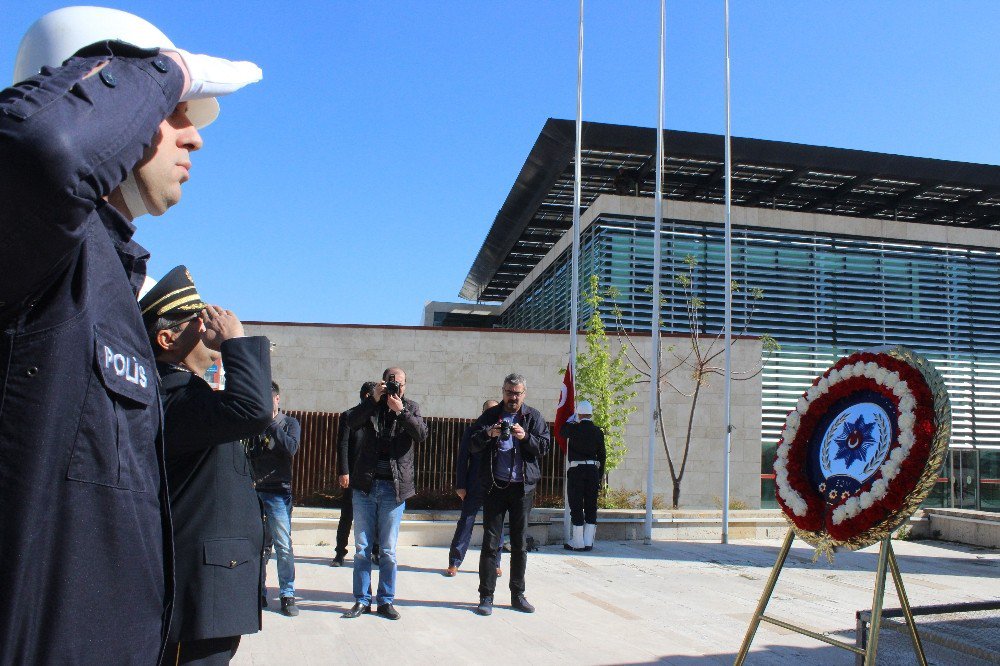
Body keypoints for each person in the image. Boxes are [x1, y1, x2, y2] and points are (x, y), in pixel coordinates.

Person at [0, 7, 260, 662]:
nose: (193, 139)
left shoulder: (108, 275)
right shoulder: (44, 256)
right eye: (174, 113)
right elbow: (43, 152)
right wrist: (169, 70)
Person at [141, 265, 272, 665]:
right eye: (196, 320)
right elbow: (253, 408)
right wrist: (236, 343)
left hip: (213, 594)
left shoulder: (190, 395)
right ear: (166, 339)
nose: (209, 325)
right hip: (196, 600)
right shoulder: (171, 399)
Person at [341, 368, 428, 621]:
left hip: (393, 489)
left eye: (399, 384)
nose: (395, 388)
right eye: (391, 383)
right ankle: (361, 600)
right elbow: (350, 422)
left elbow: (421, 434)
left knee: (388, 550)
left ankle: (386, 600)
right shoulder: (372, 405)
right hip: (366, 487)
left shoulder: (411, 407)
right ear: (383, 383)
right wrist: (372, 401)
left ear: (405, 386)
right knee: (361, 548)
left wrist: (400, 411)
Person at [470, 374, 550, 617]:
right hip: (495, 487)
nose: (513, 397)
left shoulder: (533, 417)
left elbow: (545, 447)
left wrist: (525, 437)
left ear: (524, 394)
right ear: (502, 391)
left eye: (517, 393)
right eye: (509, 392)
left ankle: (517, 595)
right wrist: (489, 434)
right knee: (490, 543)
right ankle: (486, 596)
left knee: (519, 544)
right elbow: (472, 443)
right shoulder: (490, 416)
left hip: (522, 489)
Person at [246, 382, 302, 616]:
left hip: (279, 491)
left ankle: (287, 594)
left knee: (282, 545)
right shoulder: (254, 425)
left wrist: (271, 425)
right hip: (255, 489)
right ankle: (258, 590)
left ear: (277, 399)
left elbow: (290, 448)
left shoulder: (289, 423)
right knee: (258, 545)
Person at [446, 399, 503, 577]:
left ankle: (495, 563)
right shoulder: (473, 431)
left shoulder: (504, 432)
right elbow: (463, 459)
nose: (492, 415)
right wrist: (460, 485)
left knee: (495, 525)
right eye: (488, 411)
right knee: (466, 522)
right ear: (483, 412)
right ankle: (454, 562)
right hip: (475, 484)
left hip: (497, 484)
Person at [332, 381, 380, 567]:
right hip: (353, 474)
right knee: (347, 515)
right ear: (368, 396)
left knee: (375, 516)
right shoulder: (349, 416)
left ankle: (375, 551)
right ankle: (339, 553)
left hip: (373, 476)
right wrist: (343, 471)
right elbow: (342, 445)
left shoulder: (378, 416)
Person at [560, 400, 606, 551]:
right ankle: (588, 542)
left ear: (579, 414)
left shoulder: (574, 428)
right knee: (591, 505)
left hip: (577, 470)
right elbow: (602, 456)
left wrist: (571, 419)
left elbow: (562, 431)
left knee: (576, 504)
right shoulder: (598, 432)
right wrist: (599, 476)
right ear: (591, 414)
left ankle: (577, 541)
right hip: (592, 471)